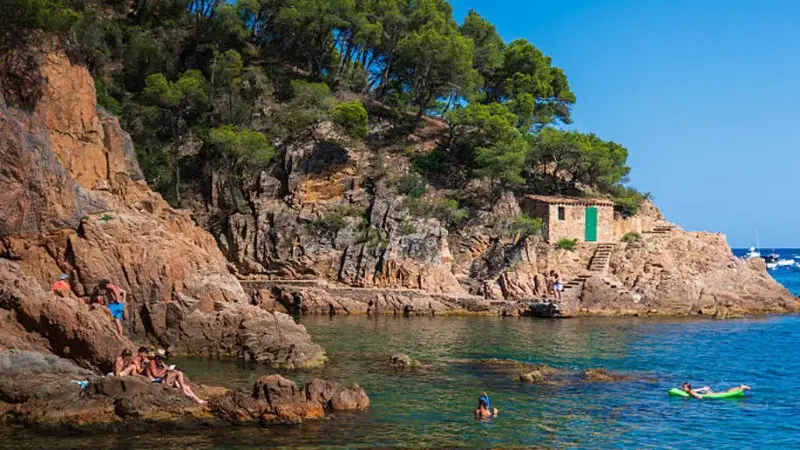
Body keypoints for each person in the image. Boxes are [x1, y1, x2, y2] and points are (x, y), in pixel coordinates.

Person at [681, 382, 750, 399]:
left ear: (688, 388)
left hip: (711, 395)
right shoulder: (690, 390)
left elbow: (697, 395)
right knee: (726, 391)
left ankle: (741, 388)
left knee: (726, 392)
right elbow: (695, 390)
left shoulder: (690, 391)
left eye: (684, 387)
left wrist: (699, 397)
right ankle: (739, 387)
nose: (682, 388)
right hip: (709, 393)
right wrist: (702, 388)